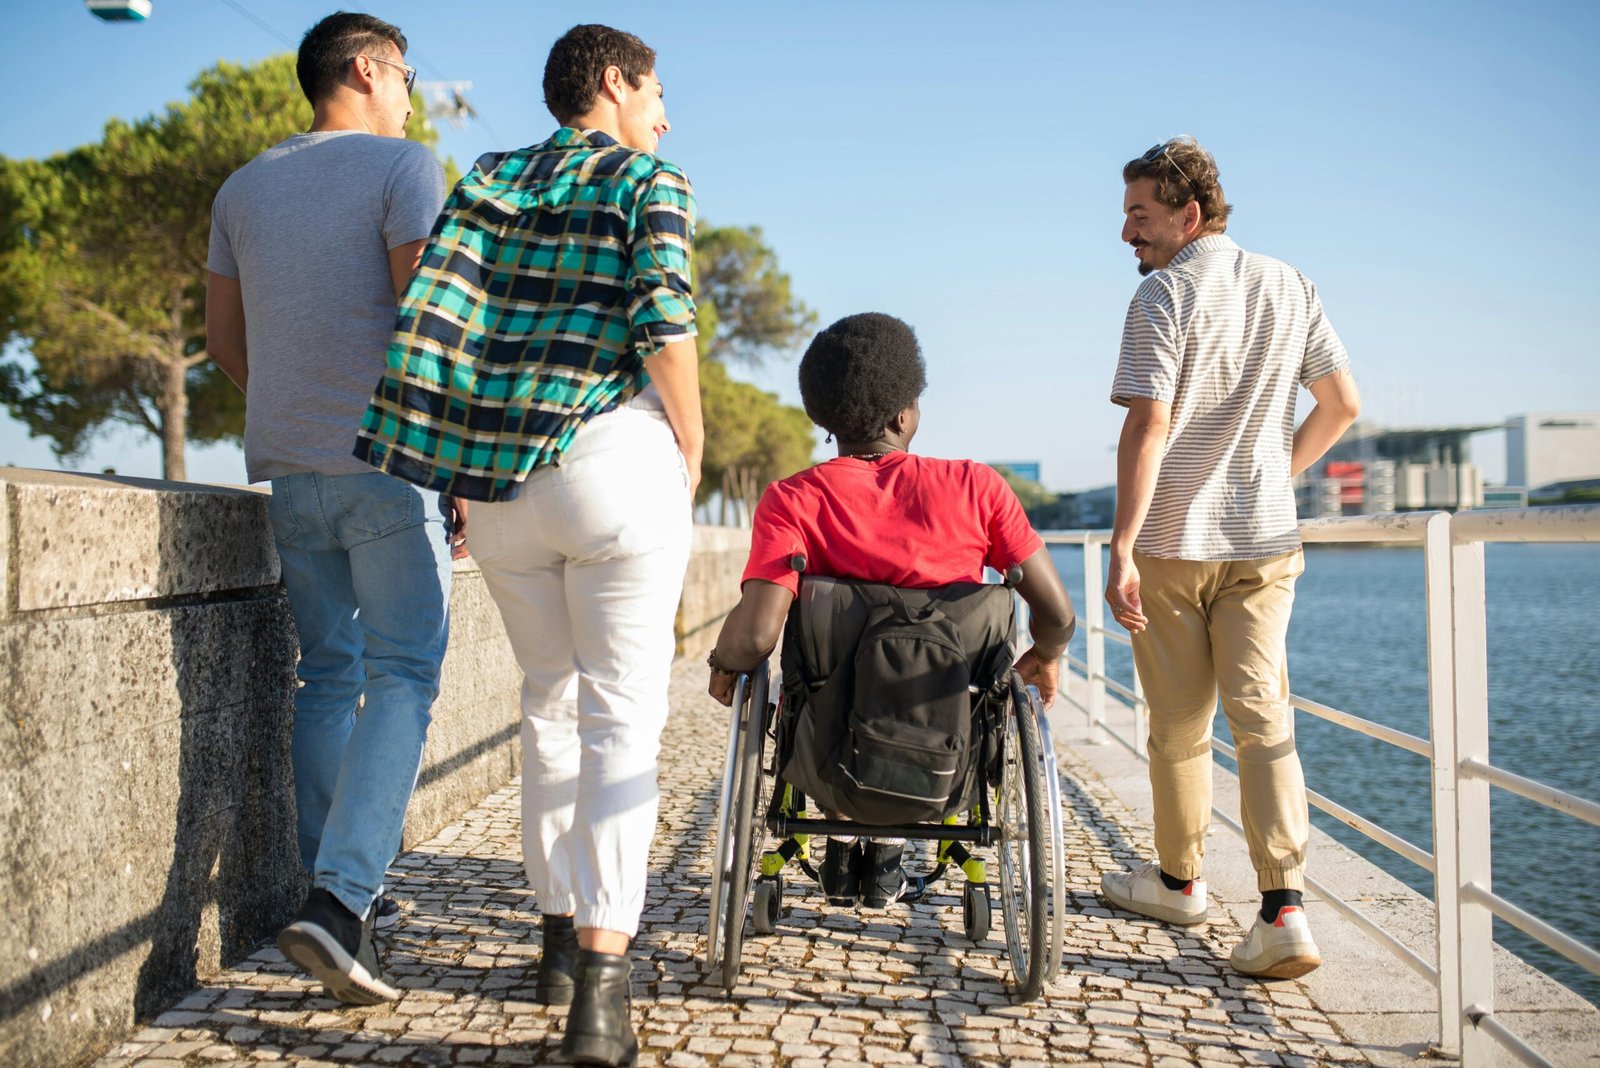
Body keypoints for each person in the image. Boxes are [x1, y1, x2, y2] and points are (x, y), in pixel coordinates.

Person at [352, 23, 698, 1067]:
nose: (663, 112)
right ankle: (599, 983)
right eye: (656, 90)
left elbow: (438, 321)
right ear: (613, 81)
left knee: (546, 701)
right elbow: (665, 318)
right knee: (622, 721)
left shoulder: (491, 178)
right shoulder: (648, 179)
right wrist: (689, 442)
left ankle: (553, 936)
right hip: (608, 458)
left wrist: (451, 466)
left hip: (499, 486)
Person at [205, 12, 458, 1005]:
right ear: (366, 69)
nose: (410, 96)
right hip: (385, 466)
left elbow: (229, 343)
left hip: (290, 468)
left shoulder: (241, 187)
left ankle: (340, 897)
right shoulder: (405, 169)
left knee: (327, 677)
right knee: (404, 670)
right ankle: (343, 901)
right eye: (404, 75)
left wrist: (294, 408)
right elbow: (425, 325)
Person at [1098, 136, 1362, 979]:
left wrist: (1122, 545)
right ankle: (1283, 909)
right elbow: (1342, 405)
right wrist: (1271, 477)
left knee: (1179, 725)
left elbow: (1148, 425)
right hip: (1264, 541)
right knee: (1263, 716)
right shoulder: (1292, 284)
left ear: (1188, 214)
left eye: (1140, 215)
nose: (1127, 234)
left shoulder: (1164, 296)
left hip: (1176, 542)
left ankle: (1179, 882)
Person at [706, 312, 1076, 907]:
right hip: (948, 743)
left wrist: (724, 663)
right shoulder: (978, 488)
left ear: (821, 416)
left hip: (825, 748)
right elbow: (1056, 616)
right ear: (904, 415)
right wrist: (1049, 656)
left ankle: (849, 831)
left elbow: (755, 636)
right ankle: (889, 848)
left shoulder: (793, 499)